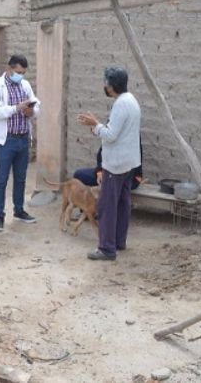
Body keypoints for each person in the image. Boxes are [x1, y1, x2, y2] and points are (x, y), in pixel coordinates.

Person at [77, 66, 141, 261]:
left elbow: (111, 136)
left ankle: (106, 248)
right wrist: (98, 124)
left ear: (111, 86)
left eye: (105, 83)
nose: (104, 86)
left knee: (107, 206)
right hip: (128, 162)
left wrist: (94, 125)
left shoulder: (121, 104)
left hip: (116, 164)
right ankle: (118, 242)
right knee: (122, 204)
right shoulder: (131, 100)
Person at [0, 54, 40, 232]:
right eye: (18, 72)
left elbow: (36, 104)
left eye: (23, 72)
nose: (21, 75)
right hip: (6, 140)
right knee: (1, 179)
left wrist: (31, 112)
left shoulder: (25, 85)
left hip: (23, 138)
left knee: (21, 178)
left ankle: (19, 210)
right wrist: (16, 108)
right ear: (9, 69)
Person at [73, 143, 144, 190]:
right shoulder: (110, 129)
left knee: (112, 183)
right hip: (108, 172)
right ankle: (87, 209)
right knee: (79, 174)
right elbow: (101, 153)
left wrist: (138, 175)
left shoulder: (130, 132)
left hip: (126, 177)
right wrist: (99, 171)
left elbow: (133, 160)